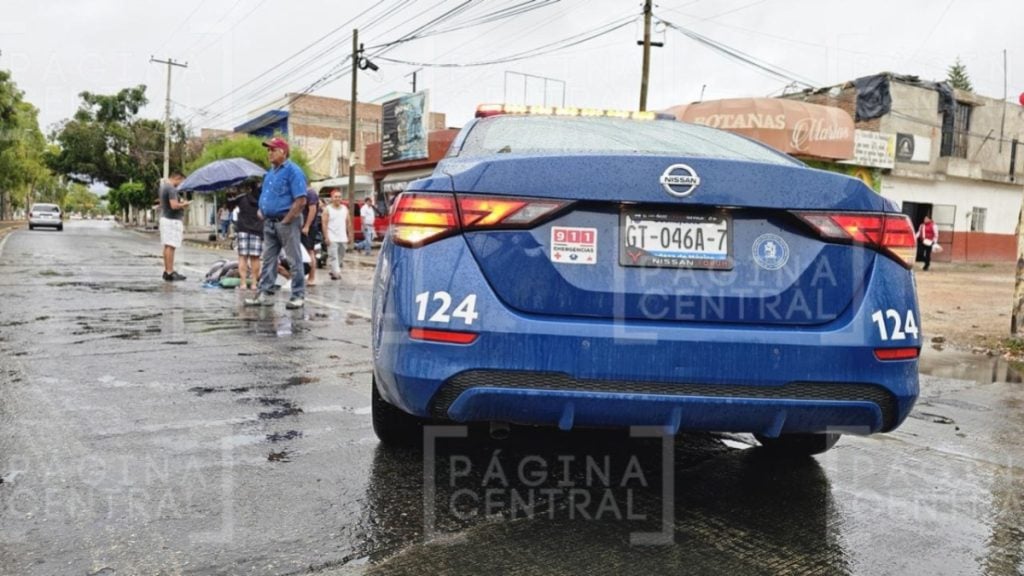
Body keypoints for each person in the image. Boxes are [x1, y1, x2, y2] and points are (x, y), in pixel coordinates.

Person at [244, 137, 308, 309]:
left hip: (287, 222)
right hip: (270, 222)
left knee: (294, 259)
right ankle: (265, 293)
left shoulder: (293, 171)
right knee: (269, 259)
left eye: (272, 149)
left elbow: (301, 200)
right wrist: (261, 209)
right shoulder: (270, 173)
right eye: (268, 150)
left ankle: (298, 295)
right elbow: (266, 195)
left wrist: (287, 220)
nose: (269, 153)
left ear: (283, 152)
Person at [232, 183, 263, 291]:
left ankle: (243, 283)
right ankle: (254, 284)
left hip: (243, 230)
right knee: (255, 258)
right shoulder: (262, 200)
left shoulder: (241, 198)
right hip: (257, 230)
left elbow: (230, 204)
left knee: (242, 257)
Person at [158, 171, 189, 281]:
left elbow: (163, 204)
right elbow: (174, 206)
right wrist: (184, 204)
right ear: (177, 178)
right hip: (172, 220)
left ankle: (167, 271)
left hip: (165, 218)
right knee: (171, 246)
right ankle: (170, 272)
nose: (181, 184)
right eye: (181, 181)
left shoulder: (163, 187)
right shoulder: (171, 188)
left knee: (167, 246)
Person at [321, 189, 352, 281]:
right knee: (333, 256)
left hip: (342, 237)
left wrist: (350, 235)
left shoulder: (345, 209)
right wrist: (326, 237)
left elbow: (348, 223)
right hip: (332, 237)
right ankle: (336, 273)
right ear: (332, 198)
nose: (338, 198)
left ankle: (333, 269)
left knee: (341, 255)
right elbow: (324, 224)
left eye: (339, 197)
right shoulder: (327, 209)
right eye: (335, 197)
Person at [300, 186, 322, 286]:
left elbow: (312, 209)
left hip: (308, 227)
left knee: (309, 251)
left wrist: (307, 226)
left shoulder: (310, 193)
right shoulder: (301, 192)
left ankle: (311, 277)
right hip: (300, 226)